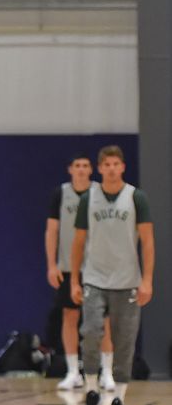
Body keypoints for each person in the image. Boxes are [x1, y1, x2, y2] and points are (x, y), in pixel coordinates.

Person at [70, 145, 155, 405]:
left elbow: (148, 241)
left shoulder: (135, 197)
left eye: (116, 164)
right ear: (100, 168)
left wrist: (147, 280)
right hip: (94, 277)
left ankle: (118, 399)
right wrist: (74, 279)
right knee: (91, 332)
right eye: (106, 164)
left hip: (127, 279)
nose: (111, 169)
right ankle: (92, 391)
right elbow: (79, 241)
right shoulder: (89, 199)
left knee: (125, 341)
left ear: (122, 167)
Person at [45, 154, 114, 391]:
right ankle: (73, 371)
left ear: (92, 169)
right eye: (78, 166)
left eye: (86, 166)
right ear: (70, 169)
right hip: (67, 265)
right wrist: (51, 264)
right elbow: (51, 230)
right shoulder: (61, 194)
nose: (82, 170)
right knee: (69, 316)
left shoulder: (100, 192)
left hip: (97, 266)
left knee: (103, 320)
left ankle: (106, 372)